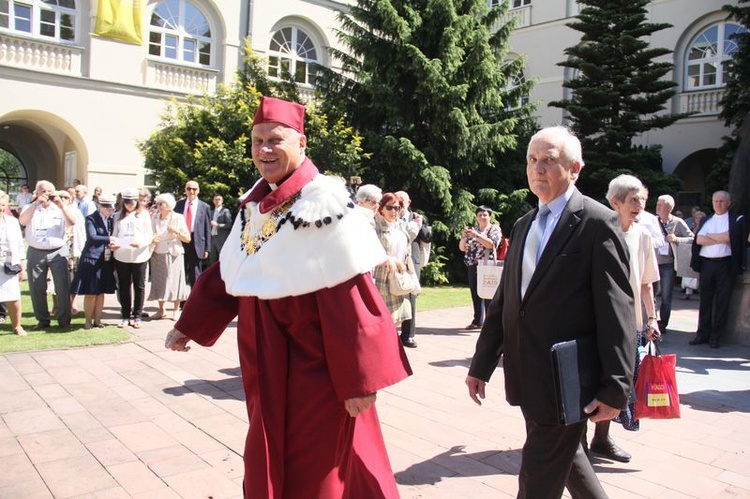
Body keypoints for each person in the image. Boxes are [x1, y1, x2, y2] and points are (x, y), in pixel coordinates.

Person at [165, 96, 410, 498]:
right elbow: (235, 271)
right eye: (257, 140)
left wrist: (359, 381)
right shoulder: (258, 202)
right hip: (266, 364)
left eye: (275, 140)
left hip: (316, 370)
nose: (264, 150)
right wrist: (189, 324)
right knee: (267, 456)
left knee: (317, 470)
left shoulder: (324, 204)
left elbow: (352, 300)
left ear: (302, 143)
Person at [465, 126, 635, 499]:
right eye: (532, 159)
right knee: (568, 454)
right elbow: (507, 303)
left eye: (548, 160)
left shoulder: (597, 223)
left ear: (574, 168)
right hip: (528, 371)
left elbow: (617, 310)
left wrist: (617, 385)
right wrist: (481, 363)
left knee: (539, 471)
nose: (537, 168)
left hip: (568, 374)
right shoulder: (524, 225)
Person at [592, 174, 661, 463]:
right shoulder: (596, 231)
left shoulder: (642, 234)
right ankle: (577, 442)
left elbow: (646, 282)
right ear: (615, 202)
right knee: (588, 379)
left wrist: (652, 318)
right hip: (594, 320)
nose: (640, 205)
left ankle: (602, 439)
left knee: (616, 381)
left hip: (628, 323)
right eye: (634, 200)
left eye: (643, 200)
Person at [689, 191, 746, 348]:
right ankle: (702, 334)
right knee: (705, 300)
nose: (718, 204)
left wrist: (711, 237)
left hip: (725, 265)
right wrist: (720, 237)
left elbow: (730, 238)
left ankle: (716, 336)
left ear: (728, 203)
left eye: (722, 201)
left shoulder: (735, 220)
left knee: (722, 301)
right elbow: (699, 239)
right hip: (707, 264)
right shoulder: (707, 219)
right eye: (716, 201)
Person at [19, 181, 78, 329]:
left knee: (62, 287)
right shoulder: (30, 207)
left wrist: (61, 205)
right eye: (42, 191)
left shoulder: (60, 208)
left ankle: (64, 320)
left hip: (58, 250)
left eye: (49, 191)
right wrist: (35, 204)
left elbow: (72, 222)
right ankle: (42, 320)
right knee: (36, 287)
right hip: (35, 250)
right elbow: (23, 221)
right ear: (37, 192)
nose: (46, 194)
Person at [70, 193, 117, 329]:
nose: (110, 210)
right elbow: (92, 237)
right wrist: (110, 239)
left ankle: (98, 320)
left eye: (112, 207)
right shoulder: (91, 218)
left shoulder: (111, 220)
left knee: (101, 292)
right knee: (91, 292)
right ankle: (88, 320)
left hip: (106, 259)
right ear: (99, 206)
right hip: (92, 257)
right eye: (107, 207)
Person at [112, 188, 154, 328]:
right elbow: (115, 234)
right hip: (122, 255)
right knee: (124, 286)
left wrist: (141, 243)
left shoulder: (144, 215)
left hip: (139, 255)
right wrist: (114, 244)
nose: (129, 205)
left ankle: (137, 315)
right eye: (127, 202)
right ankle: (125, 315)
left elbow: (149, 235)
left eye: (132, 202)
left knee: (139, 286)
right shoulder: (118, 215)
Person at [395, 190, 432, 348]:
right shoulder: (389, 213)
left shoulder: (416, 217)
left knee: (411, 296)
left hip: (411, 262)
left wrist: (420, 224)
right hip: (394, 261)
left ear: (409, 202)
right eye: (398, 201)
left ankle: (408, 335)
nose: (400, 204)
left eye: (403, 201)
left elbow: (427, 237)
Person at [373, 193, 414, 327]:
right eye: (389, 208)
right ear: (381, 208)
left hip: (399, 277)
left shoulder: (401, 225)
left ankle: (390, 345)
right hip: (382, 278)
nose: (393, 211)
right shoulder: (375, 226)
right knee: (384, 320)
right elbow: (372, 250)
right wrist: (394, 260)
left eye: (397, 208)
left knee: (399, 319)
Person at [654, 194, 693, 332]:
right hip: (652, 263)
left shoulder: (678, 222)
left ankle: (663, 324)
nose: (657, 206)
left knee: (666, 296)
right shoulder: (652, 221)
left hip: (668, 265)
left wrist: (677, 239)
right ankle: (651, 322)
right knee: (650, 294)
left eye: (660, 204)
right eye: (657, 204)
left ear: (669, 207)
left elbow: (691, 238)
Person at [148, 193, 190, 320]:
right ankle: (161, 310)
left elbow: (187, 238)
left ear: (169, 205)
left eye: (162, 203)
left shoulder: (178, 218)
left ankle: (176, 310)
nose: (160, 206)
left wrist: (176, 232)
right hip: (157, 253)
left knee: (175, 281)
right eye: (159, 203)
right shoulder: (154, 217)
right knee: (159, 281)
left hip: (174, 253)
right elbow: (149, 233)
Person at [459, 205, 502, 330]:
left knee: (489, 293)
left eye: (485, 215)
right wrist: (464, 236)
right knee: (475, 293)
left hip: (487, 265)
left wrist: (476, 235)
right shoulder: (474, 229)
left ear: (490, 216)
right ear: (476, 217)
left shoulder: (494, 229)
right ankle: (477, 321)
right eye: (479, 215)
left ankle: (491, 322)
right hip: (473, 264)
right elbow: (462, 248)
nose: (482, 217)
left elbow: (491, 244)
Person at [175, 180, 211, 287]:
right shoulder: (179, 205)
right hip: (180, 240)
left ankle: (194, 299)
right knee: (180, 270)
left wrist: (207, 248)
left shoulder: (204, 207)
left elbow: (207, 228)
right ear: (185, 190)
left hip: (197, 241)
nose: (191, 191)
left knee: (195, 272)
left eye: (194, 189)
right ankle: (182, 300)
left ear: (198, 191)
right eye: (189, 189)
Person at [0, 190, 27, 336]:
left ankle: (17, 326)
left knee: (13, 295)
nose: (0, 208)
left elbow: (19, 244)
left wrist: (22, 266)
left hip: (9, 264)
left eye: (3, 205)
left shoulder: (12, 222)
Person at [681, 210, 705, 299]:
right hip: (690, 251)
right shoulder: (690, 228)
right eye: (696, 217)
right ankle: (688, 293)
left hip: (701, 252)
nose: (698, 219)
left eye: (700, 217)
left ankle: (701, 291)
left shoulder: (705, 227)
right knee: (688, 272)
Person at [209, 194, 232, 265]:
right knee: (212, 259)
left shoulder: (225, 211)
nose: (217, 201)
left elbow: (229, 224)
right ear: (213, 201)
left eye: (219, 199)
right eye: (216, 199)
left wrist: (218, 225)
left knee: (223, 258)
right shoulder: (211, 212)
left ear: (222, 201)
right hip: (212, 238)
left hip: (221, 238)